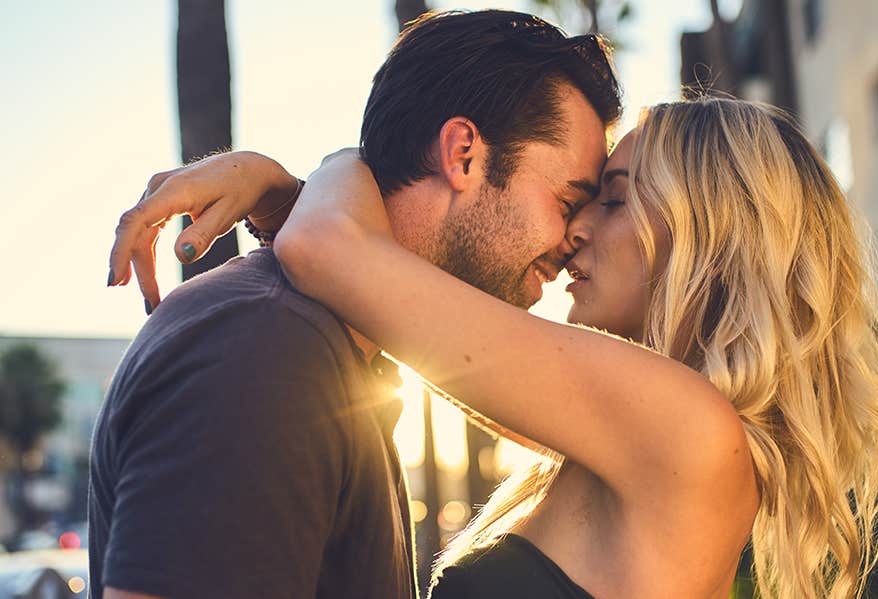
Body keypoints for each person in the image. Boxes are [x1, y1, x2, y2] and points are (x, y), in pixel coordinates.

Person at [110, 98, 878, 598]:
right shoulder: (632, 437)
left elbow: (329, 249)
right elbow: (380, 294)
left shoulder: (686, 428)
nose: (578, 229)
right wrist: (291, 201)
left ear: (716, 236)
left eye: (617, 201)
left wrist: (319, 171)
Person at [93, 10, 621, 599]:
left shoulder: (333, 348)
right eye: (568, 198)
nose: (577, 233)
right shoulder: (265, 350)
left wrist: (295, 193)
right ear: (464, 154)